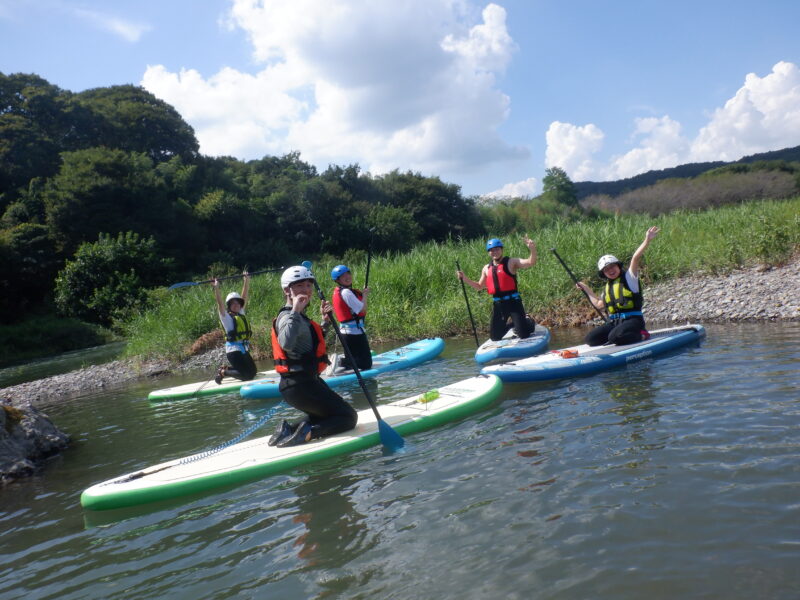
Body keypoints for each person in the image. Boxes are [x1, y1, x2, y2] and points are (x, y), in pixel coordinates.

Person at [268, 265, 358, 447]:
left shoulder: (300, 317)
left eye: (308, 286)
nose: (306, 290)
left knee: (327, 415)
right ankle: (308, 433)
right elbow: (286, 342)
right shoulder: (289, 316)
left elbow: (308, 347)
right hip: (300, 385)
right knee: (348, 417)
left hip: (303, 383)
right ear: (287, 290)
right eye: (300, 286)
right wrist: (294, 310)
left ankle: (289, 429)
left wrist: (324, 323)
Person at [576, 226, 660, 346]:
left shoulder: (629, 278)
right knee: (591, 339)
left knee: (615, 337)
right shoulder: (608, 287)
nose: (610, 270)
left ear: (618, 266)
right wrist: (585, 287)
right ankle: (618, 336)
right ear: (603, 273)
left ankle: (642, 334)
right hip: (614, 323)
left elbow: (635, 258)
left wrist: (647, 240)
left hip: (633, 321)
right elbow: (599, 305)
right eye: (606, 270)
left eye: (612, 267)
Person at [456, 236, 538, 341]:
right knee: (495, 337)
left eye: (497, 249)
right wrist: (464, 278)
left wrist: (532, 249)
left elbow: (531, 262)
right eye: (491, 250)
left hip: (514, 302)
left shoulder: (511, 262)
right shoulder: (486, 268)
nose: (494, 252)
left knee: (524, 334)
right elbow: (479, 286)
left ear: (501, 250)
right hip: (499, 305)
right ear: (488, 252)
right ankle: (513, 324)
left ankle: (527, 321)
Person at [212, 272, 257, 384]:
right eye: (233, 303)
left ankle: (226, 368)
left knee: (253, 372)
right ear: (229, 306)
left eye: (238, 303)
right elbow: (220, 304)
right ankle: (223, 372)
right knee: (247, 376)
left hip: (243, 349)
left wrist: (246, 281)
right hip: (233, 351)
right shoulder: (225, 317)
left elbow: (244, 296)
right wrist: (216, 288)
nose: (236, 305)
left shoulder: (240, 312)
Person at [330, 264, 372, 371]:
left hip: (347, 333)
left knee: (354, 360)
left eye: (348, 273)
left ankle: (344, 362)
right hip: (353, 333)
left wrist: (362, 295)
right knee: (366, 364)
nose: (347, 277)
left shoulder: (341, 291)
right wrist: (365, 295)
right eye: (343, 276)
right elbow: (362, 310)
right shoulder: (346, 292)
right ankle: (338, 361)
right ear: (338, 280)